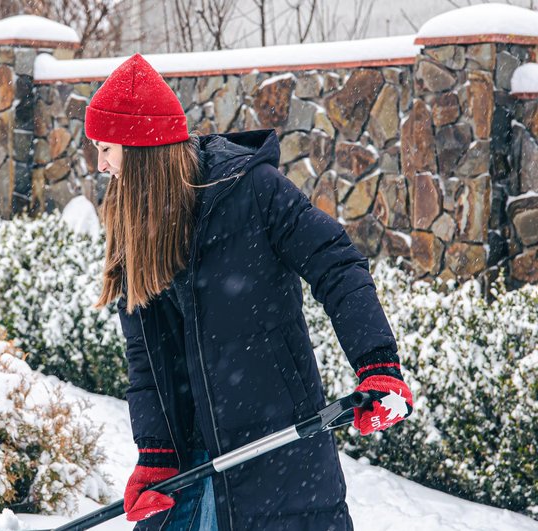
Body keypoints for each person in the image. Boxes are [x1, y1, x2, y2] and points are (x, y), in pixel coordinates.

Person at [87, 53, 414, 531]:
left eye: (107, 150)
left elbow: (337, 264)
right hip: (192, 468)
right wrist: (156, 453)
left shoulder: (253, 191)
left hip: (276, 454)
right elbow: (148, 358)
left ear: (140, 151)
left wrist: (377, 365)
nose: (100, 165)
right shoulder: (136, 226)